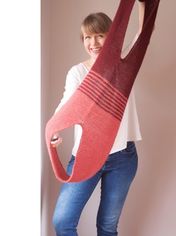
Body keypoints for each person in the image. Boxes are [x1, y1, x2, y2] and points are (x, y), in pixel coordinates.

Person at [52, 1, 145, 235]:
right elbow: (66, 105)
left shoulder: (125, 67)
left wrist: (145, 5)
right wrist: (54, 129)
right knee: (63, 222)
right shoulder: (78, 72)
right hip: (86, 156)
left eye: (100, 36)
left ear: (111, 37)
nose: (92, 43)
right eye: (87, 37)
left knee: (107, 226)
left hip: (122, 157)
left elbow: (144, 34)